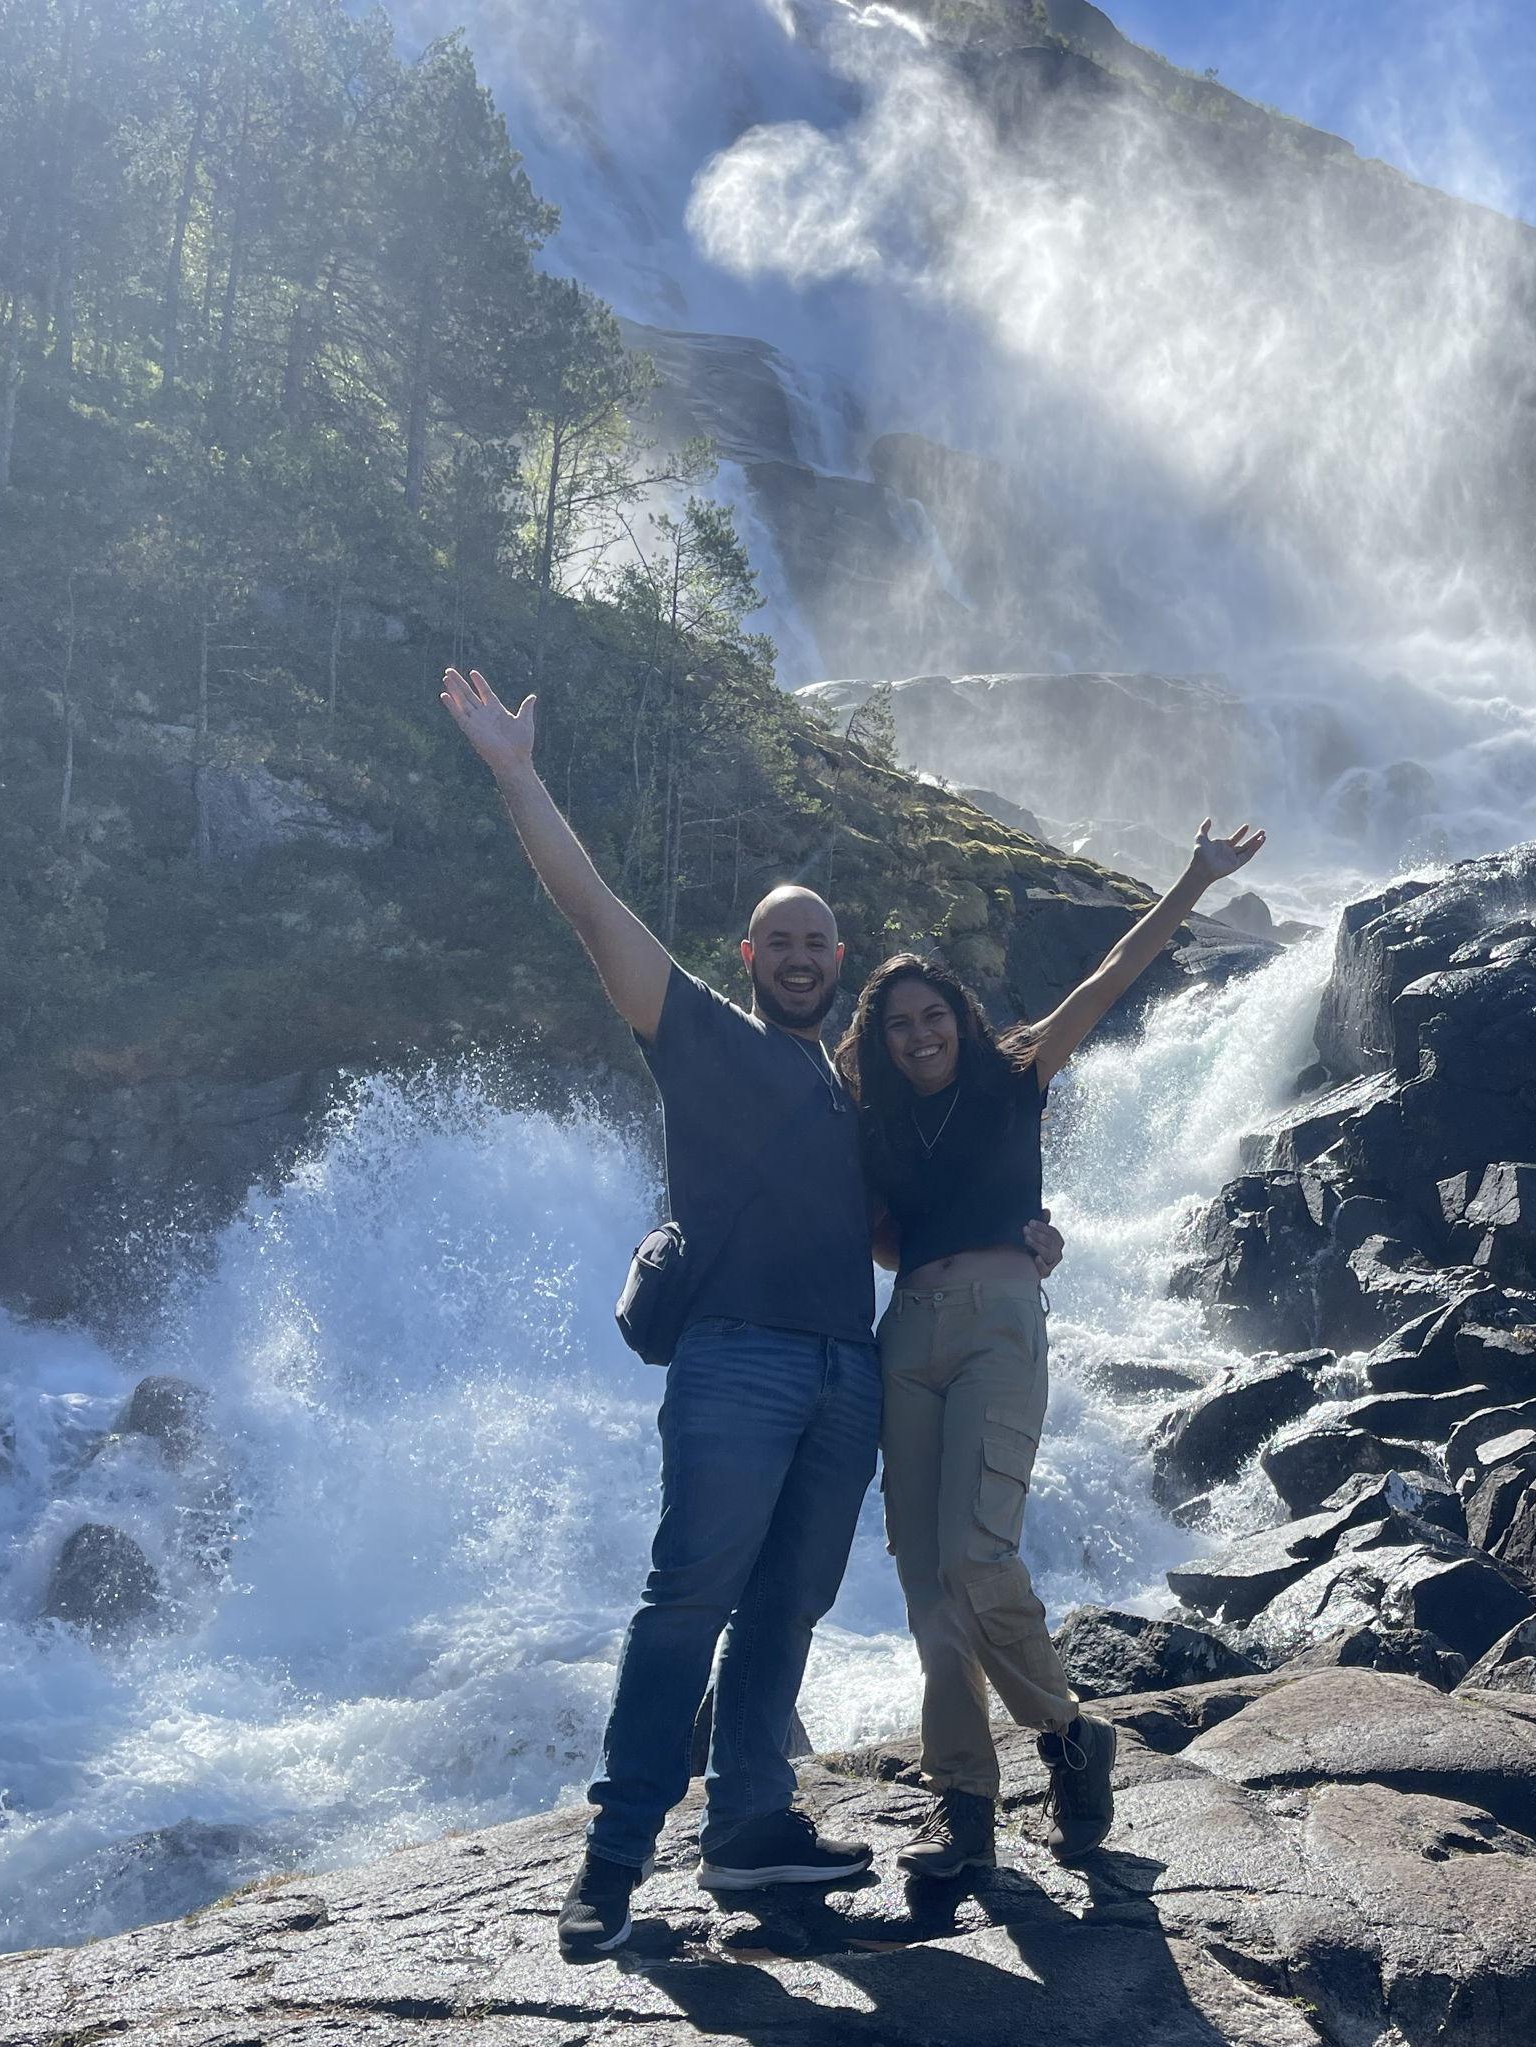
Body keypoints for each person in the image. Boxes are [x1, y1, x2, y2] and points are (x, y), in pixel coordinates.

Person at [438, 668, 1065, 1957]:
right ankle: (612, 1864)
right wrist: (516, 773)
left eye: (815, 942)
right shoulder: (699, 1035)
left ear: (839, 963)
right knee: (686, 1601)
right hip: (738, 1362)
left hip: (849, 1374)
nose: (796, 956)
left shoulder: (851, 1095)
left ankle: (748, 1830)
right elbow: (590, 907)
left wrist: (1018, 1238)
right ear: (749, 957)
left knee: (786, 1611)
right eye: (777, 940)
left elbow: (904, 1223)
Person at [834, 812, 1266, 1879]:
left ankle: (1068, 1734)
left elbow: (1112, 976)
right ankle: (963, 1801)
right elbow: (882, 1238)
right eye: (899, 1025)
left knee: (974, 1557)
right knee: (924, 1577)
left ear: (960, 1016)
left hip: (998, 1323)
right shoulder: (873, 1121)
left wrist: (1193, 878)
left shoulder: (1013, 1072)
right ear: (880, 1039)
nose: (919, 1035)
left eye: (933, 1015)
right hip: (907, 1334)